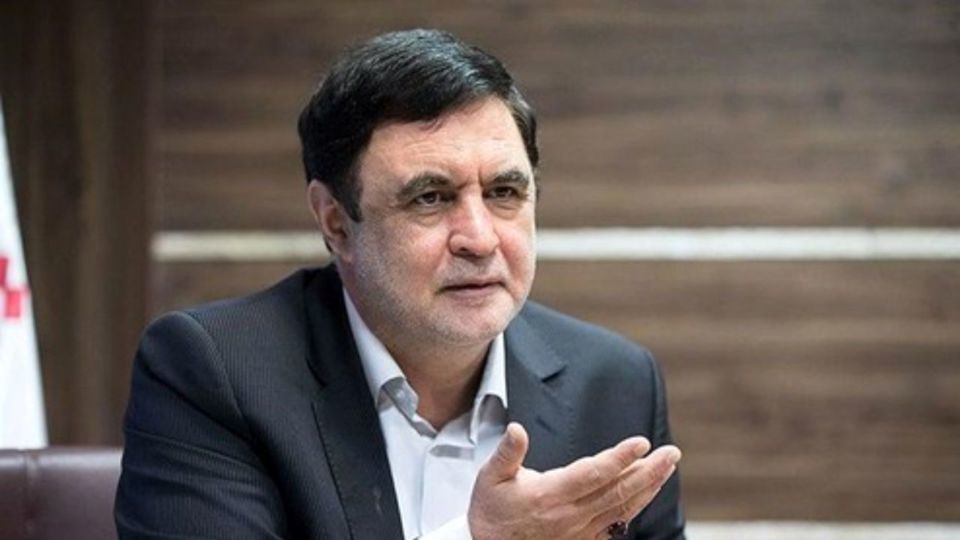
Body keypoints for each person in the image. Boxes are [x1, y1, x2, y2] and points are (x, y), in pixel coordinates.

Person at [115, 29, 685, 540]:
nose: (479, 238)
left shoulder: (614, 382)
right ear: (336, 223)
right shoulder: (215, 373)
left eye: (504, 193)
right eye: (430, 198)